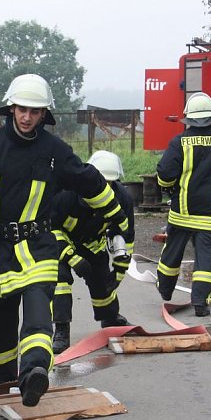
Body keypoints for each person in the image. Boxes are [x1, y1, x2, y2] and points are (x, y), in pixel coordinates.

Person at [0, 74, 130, 406]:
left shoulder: (53, 150)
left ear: (43, 115)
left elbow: (88, 181)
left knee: (38, 313)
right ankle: (3, 374)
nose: (27, 117)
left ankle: (35, 373)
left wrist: (117, 215)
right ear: (10, 108)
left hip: (38, 248)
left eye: (35, 112)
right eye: (22, 109)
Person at [155, 92, 211, 316]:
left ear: (189, 118)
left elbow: (165, 175)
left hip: (181, 213)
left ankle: (165, 289)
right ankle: (200, 303)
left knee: (172, 253)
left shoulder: (179, 142)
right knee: (206, 257)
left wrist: (169, 188)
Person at [50, 150, 135, 354]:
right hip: (61, 244)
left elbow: (126, 234)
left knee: (103, 282)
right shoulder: (66, 193)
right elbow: (50, 229)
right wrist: (71, 257)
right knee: (61, 281)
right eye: (101, 182)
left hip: (92, 244)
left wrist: (120, 271)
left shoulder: (122, 198)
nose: (105, 188)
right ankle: (61, 329)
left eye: (110, 183)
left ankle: (110, 318)